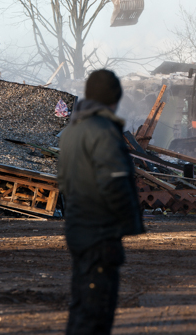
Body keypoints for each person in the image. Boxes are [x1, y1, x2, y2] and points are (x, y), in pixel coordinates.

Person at [57, 69, 145, 335]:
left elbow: (65, 180)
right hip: (101, 232)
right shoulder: (104, 130)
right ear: (112, 98)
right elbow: (115, 181)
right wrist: (130, 222)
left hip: (79, 227)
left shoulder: (73, 130)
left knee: (83, 304)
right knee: (97, 310)